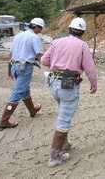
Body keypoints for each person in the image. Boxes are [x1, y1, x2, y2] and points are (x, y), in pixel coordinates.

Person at [41, 17, 98, 167]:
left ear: (69, 29)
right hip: (68, 83)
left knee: (62, 110)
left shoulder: (57, 42)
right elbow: (90, 68)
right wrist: (94, 83)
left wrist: (57, 64)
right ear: (83, 32)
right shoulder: (82, 46)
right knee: (64, 119)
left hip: (53, 82)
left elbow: (44, 61)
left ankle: (65, 144)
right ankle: (54, 157)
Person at [0, 17, 45, 130]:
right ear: (37, 27)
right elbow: (39, 56)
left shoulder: (18, 35)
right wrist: (50, 65)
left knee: (24, 90)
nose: (41, 31)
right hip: (25, 67)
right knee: (17, 93)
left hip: (14, 66)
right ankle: (4, 121)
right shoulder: (35, 38)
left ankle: (32, 110)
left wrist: (9, 70)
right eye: (41, 28)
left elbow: (11, 54)